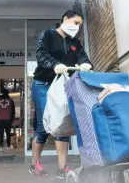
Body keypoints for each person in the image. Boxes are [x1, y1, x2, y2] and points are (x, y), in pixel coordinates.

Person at [29, 10, 93, 179]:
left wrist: (85, 63)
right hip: (43, 84)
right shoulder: (48, 35)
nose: (77, 27)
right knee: (45, 125)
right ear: (65, 19)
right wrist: (55, 64)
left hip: (63, 86)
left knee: (62, 123)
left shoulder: (74, 42)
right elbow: (41, 54)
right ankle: (34, 163)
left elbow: (82, 56)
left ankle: (62, 168)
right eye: (75, 23)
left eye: (80, 24)